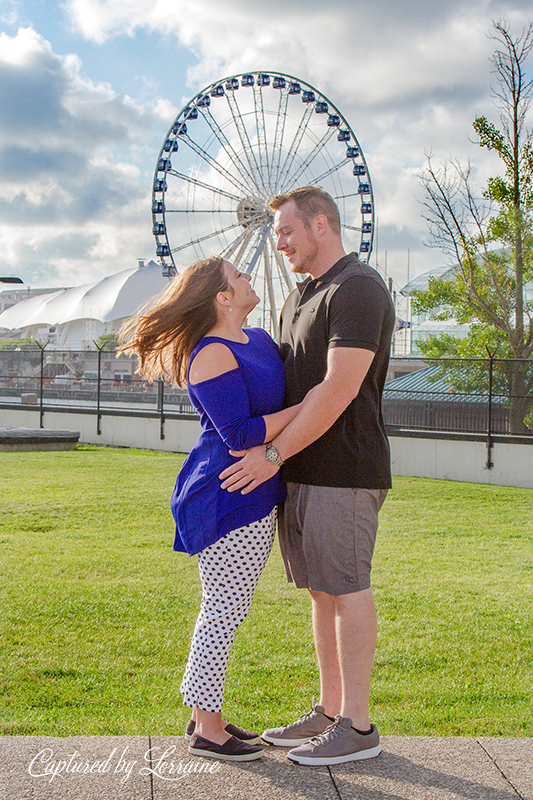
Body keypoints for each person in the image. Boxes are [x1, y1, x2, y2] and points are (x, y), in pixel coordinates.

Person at [219, 187, 396, 766]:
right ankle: (328, 711)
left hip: (345, 469)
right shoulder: (298, 298)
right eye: (276, 234)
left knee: (347, 588)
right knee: (322, 592)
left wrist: (271, 455)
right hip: (303, 470)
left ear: (322, 225)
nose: (281, 244)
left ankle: (358, 725)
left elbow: (340, 387)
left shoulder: (358, 289)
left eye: (288, 232)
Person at [120, 256, 308, 762]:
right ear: (223, 297)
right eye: (239, 276)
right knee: (222, 610)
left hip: (255, 490)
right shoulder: (210, 355)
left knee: (229, 608)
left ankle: (207, 714)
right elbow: (240, 433)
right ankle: (206, 726)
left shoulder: (261, 341)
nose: (249, 278)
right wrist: (309, 410)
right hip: (226, 496)